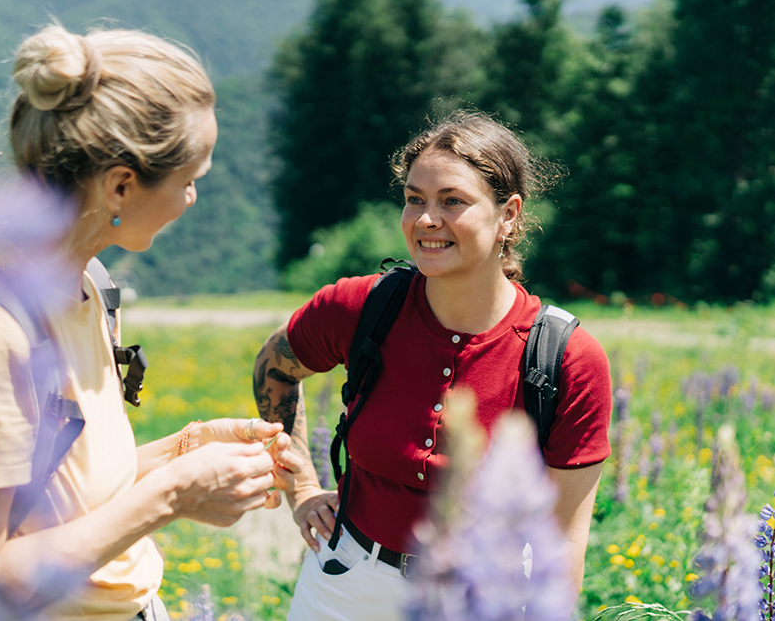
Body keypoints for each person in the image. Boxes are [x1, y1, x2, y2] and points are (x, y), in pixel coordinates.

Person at [0, 25, 301, 621]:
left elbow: (57, 498)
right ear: (121, 185)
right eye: (188, 181)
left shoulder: (84, 285)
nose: (191, 200)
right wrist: (175, 493)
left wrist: (185, 450)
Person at [253, 110, 612, 620]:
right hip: (347, 581)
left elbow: (563, 541)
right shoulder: (361, 307)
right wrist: (303, 489)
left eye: (452, 202)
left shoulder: (566, 357)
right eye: (414, 199)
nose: (426, 219)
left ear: (508, 215)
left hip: (481, 597)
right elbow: (274, 368)